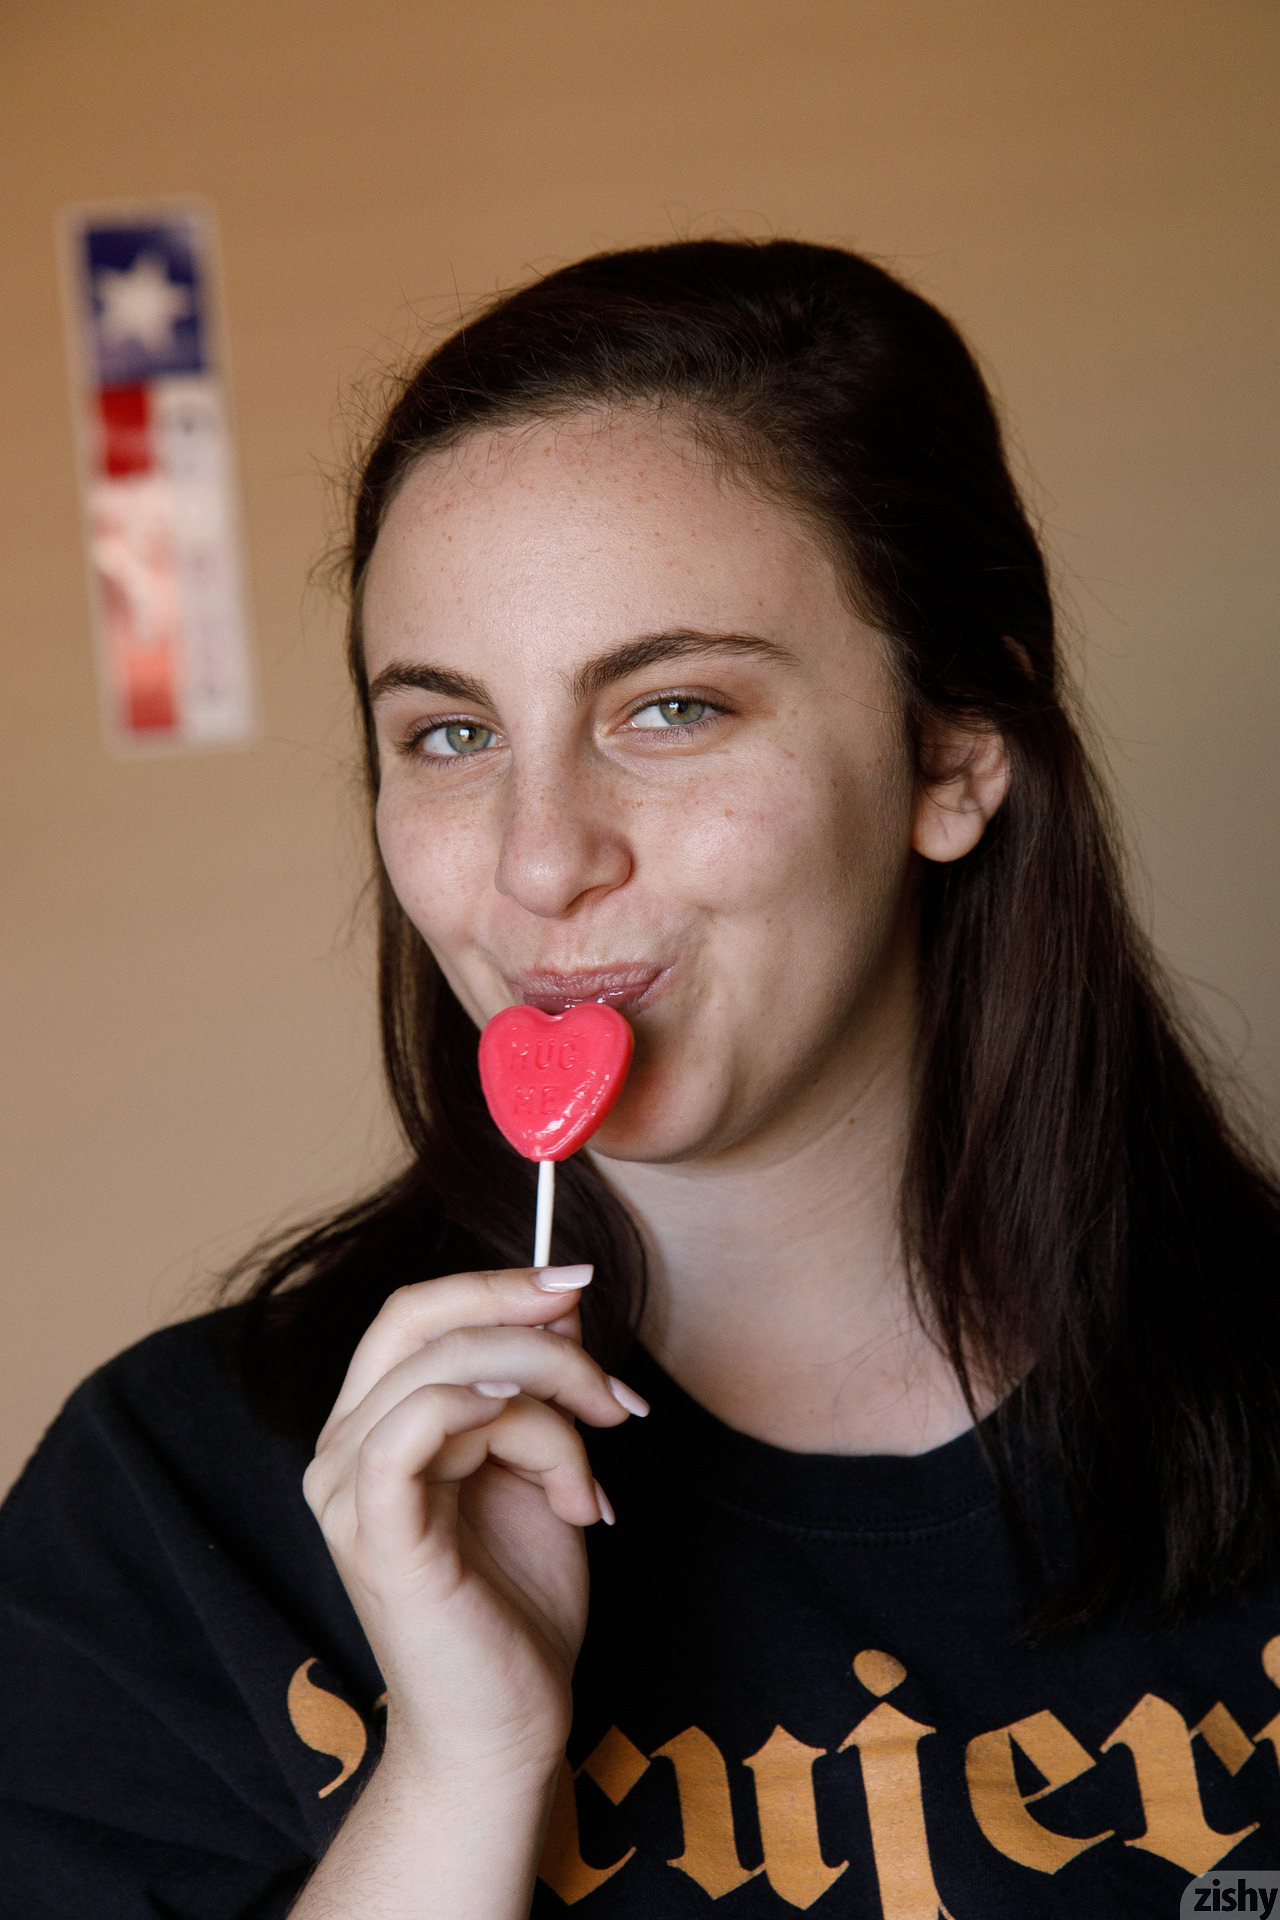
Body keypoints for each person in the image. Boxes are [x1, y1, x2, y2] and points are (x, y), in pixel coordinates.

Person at [2, 238, 1279, 1920]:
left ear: (955, 754)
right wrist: (458, 1775)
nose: (540, 860)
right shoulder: (172, 1504)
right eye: (451, 734)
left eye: (670, 709)